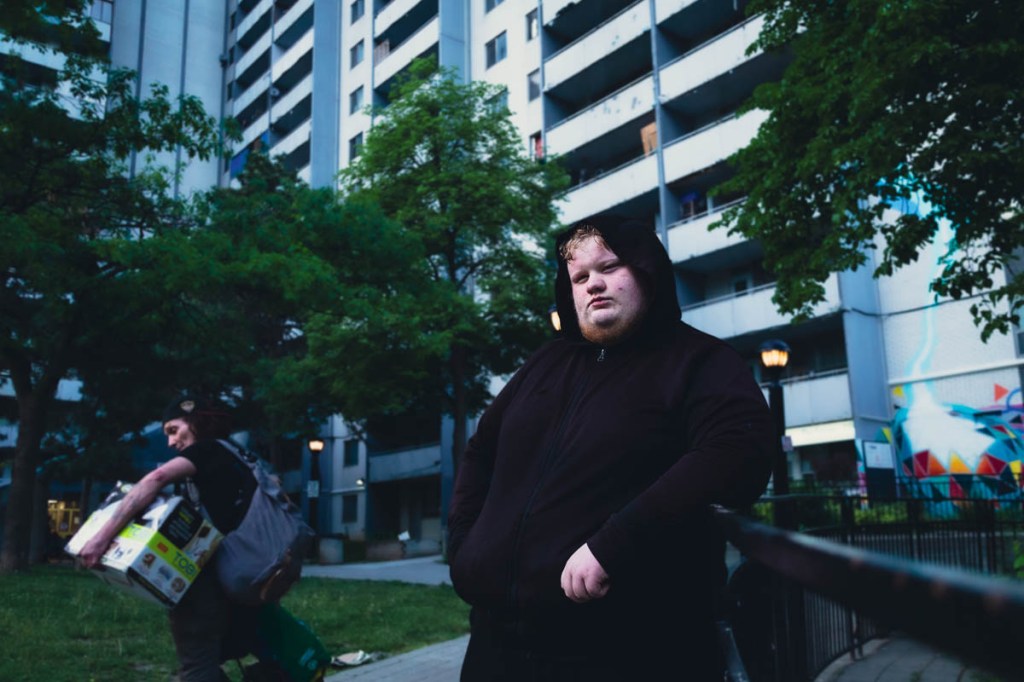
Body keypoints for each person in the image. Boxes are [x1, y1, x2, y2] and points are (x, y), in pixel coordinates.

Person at [447, 215, 775, 681]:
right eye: (579, 277)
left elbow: (738, 451)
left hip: (629, 651)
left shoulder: (699, 360)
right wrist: (464, 544)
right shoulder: (545, 363)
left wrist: (616, 541)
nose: (593, 284)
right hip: (496, 650)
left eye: (610, 267)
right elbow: (481, 450)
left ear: (646, 271)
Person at [78, 395, 260, 682]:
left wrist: (101, 538)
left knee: (198, 666)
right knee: (211, 659)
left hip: (209, 582)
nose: (171, 442)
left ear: (196, 420)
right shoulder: (237, 454)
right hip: (237, 576)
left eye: (174, 430)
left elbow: (156, 478)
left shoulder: (208, 450)